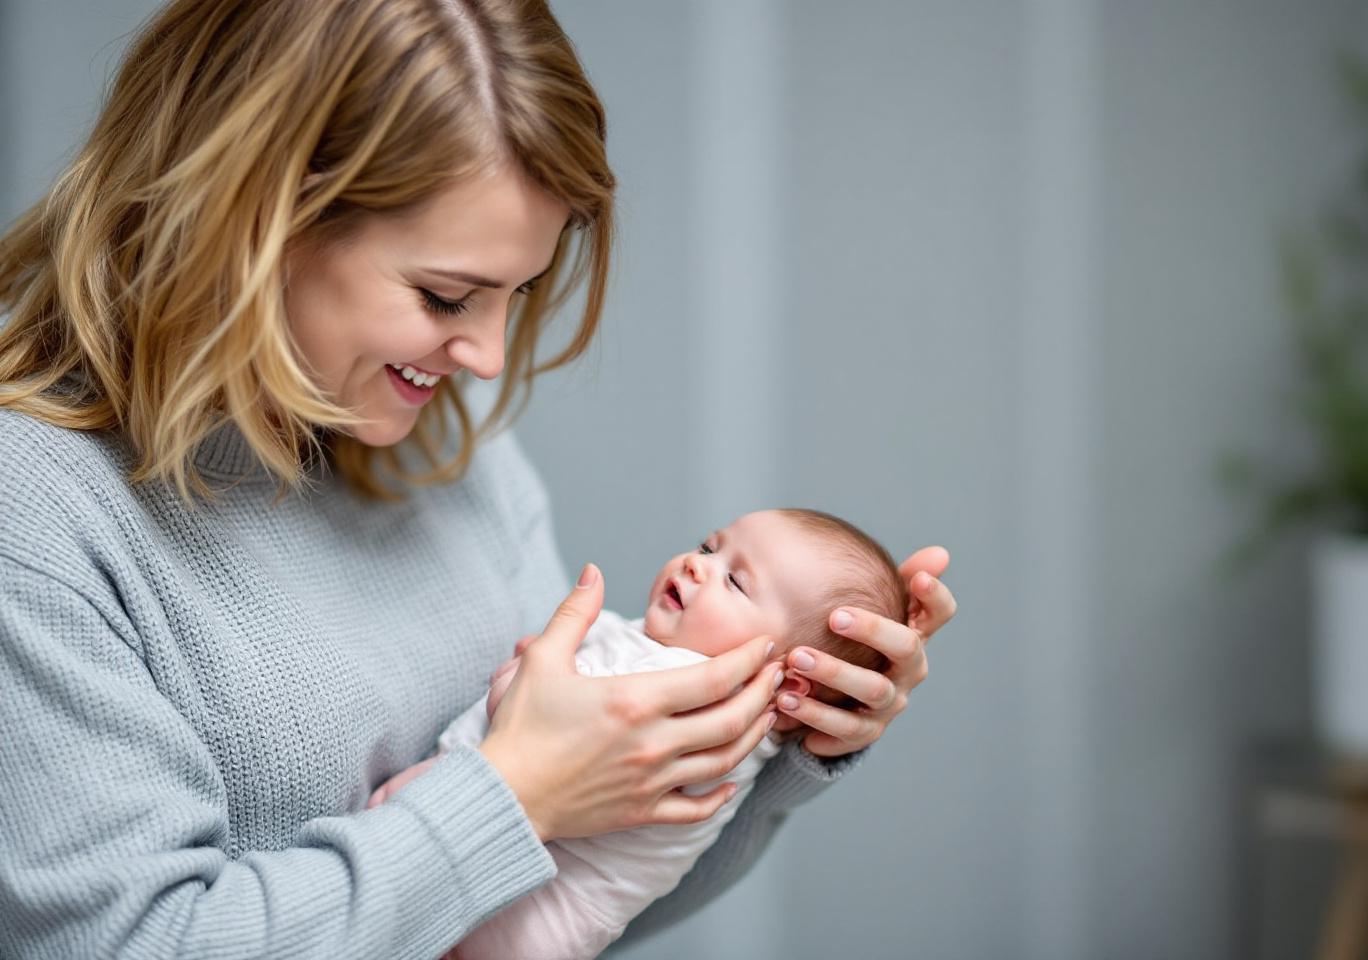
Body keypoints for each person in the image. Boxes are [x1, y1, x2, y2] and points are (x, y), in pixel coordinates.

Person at [0, 1, 957, 958]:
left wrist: (781, 743)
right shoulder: (34, 511)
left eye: (518, 294)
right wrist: (516, 792)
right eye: (447, 295)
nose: (490, 359)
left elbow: (584, 904)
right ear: (249, 216)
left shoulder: (449, 452)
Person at [368, 508, 907, 959]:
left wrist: (521, 675)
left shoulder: (696, 705)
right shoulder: (696, 685)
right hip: (538, 902)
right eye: (709, 547)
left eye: (736, 581)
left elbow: (531, 721)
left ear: (789, 682)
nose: (698, 565)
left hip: (531, 908)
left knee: (390, 818)